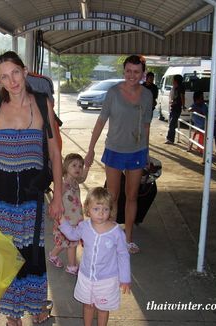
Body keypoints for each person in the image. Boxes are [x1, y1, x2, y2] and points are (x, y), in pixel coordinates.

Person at [0, 51, 63, 326]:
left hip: (32, 196)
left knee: (33, 252)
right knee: (6, 255)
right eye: (4, 76)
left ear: (24, 72)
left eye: (15, 73)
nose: (11, 80)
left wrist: (58, 195)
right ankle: (13, 315)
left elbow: (55, 154)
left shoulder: (43, 104)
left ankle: (36, 308)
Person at [84, 55, 153, 254]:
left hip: (137, 151)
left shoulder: (147, 95)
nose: (132, 75)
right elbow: (100, 121)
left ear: (142, 74)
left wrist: (146, 152)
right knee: (112, 197)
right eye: (128, 71)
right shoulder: (113, 93)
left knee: (132, 196)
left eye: (136, 72)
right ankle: (111, 236)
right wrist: (91, 149)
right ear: (124, 72)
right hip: (114, 149)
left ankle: (128, 238)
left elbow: (147, 125)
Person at [59, 187, 131, 326]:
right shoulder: (84, 226)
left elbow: (123, 255)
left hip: (107, 280)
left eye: (105, 209)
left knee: (103, 309)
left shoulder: (116, 232)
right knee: (88, 305)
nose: (101, 213)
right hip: (86, 277)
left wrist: (125, 278)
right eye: (96, 209)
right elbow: (73, 235)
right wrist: (61, 220)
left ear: (110, 210)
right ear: (88, 209)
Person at [48, 153, 89, 275]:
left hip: (75, 220)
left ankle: (53, 256)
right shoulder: (64, 185)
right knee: (71, 243)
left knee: (65, 243)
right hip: (65, 221)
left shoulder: (76, 182)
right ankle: (72, 266)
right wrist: (55, 214)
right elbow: (56, 200)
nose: (78, 168)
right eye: (74, 165)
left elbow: (83, 178)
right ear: (66, 167)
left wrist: (87, 167)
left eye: (80, 166)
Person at [188, 90, 216, 157]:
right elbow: (189, 109)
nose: (203, 99)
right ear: (197, 99)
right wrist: (197, 111)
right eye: (201, 98)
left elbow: (208, 116)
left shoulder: (204, 105)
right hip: (201, 126)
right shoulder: (194, 106)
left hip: (208, 125)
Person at [165, 74, 185, 144]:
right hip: (173, 107)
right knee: (171, 122)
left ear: (176, 80)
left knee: (172, 123)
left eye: (173, 79)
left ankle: (170, 139)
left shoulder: (180, 88)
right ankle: (169, 138)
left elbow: (182, 97)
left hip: (177, 107)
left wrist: (183, 105)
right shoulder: (175, 87)